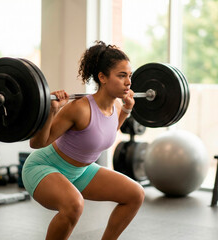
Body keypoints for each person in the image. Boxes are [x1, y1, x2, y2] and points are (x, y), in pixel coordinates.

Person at [22, 41, 145, 240]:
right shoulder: (79, 108)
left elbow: (106, 131)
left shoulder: (114, 106)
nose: (128, 82)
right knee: (74, 205)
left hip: (80, 171)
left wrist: (127, 109)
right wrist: (52, 111)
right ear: (102, 77)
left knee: (135, 194)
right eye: (122, 76)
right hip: (44, 167)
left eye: (129, 76)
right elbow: (37, 143)